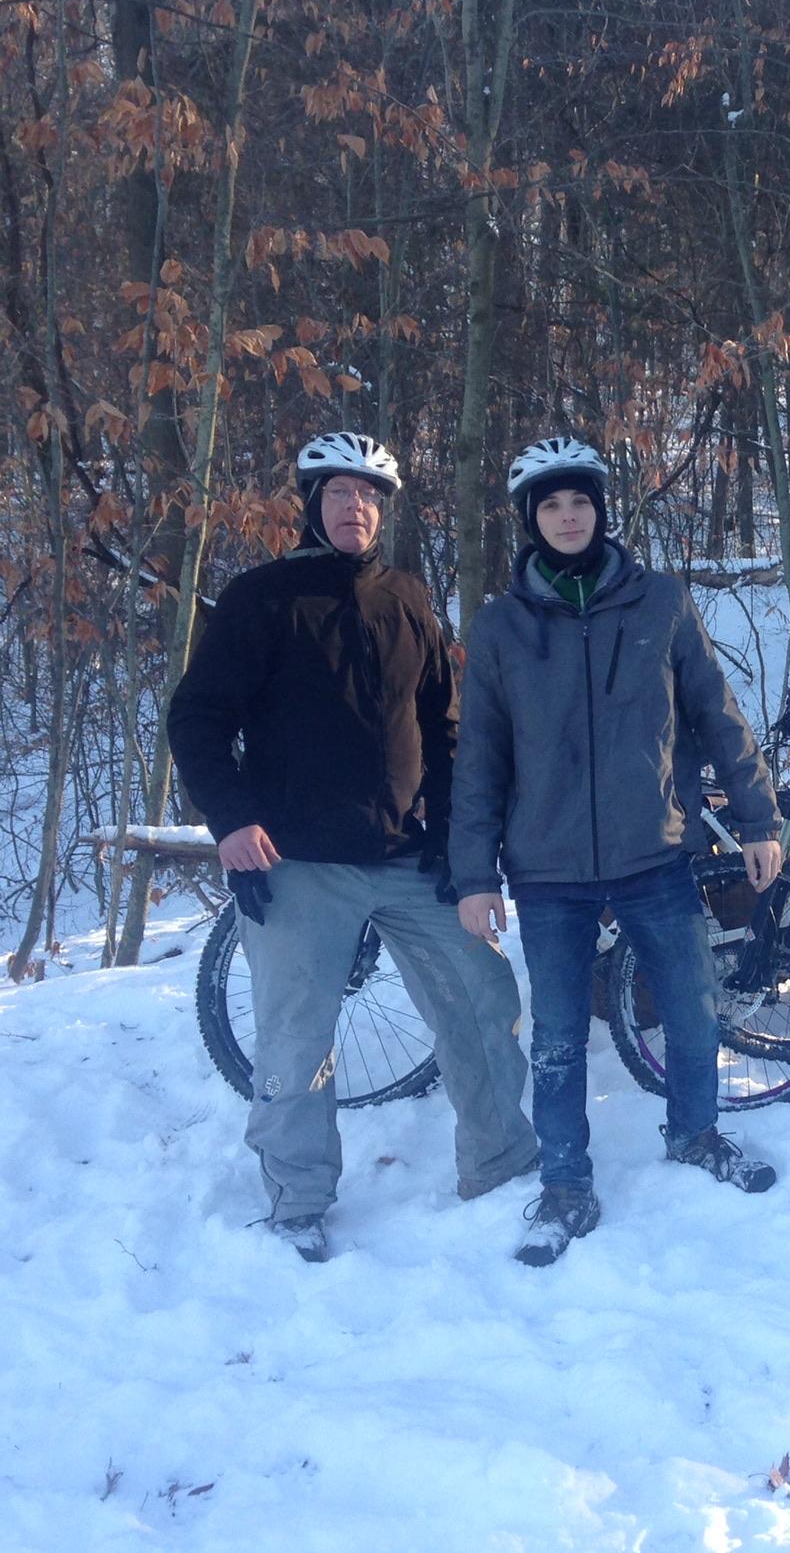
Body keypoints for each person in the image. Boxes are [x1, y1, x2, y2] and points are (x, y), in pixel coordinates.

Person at [168, 432, 538, 1262]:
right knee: (298, 1038)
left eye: (369, 495)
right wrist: (230, 820)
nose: (355, 507)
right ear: (311, 503)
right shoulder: (261, 600)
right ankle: (298, 1201)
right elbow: (196, 718)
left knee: (483, 1003)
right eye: (338, 492)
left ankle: (503, 1165)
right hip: (299, 864)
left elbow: (445, 727)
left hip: (411, 861)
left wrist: (451, 839)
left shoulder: (408, 596)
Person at [451, 436, 783, 1267]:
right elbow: (480, 760)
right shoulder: (498, 627)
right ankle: (565, 1185)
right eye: (551, 505)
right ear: (531, 520)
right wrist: (473, 876)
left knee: (693, 1008)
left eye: (581, 502)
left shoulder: (660, 602)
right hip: (547, 869)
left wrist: (759, 819)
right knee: (558, 1035)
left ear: (602, 510)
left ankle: (697, 1132)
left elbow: (718, 715)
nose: (568, 517)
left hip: (654, 853)